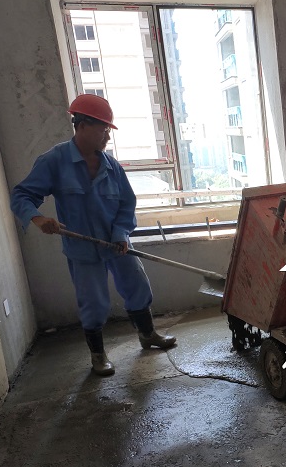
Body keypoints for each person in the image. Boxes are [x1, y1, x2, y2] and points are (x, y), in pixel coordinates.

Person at [10, 94, 176, 377]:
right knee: (94, 303)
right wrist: (38, 219)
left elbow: (127, 203)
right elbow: (22, 195)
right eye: (103, 129)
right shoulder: (55, 161)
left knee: (137, 285)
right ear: (83, 125)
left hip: (117, 243)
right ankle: (98, 355)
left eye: (109, 130)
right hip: (82, 248)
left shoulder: (112, 166)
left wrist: (121, 233)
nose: (107, 137)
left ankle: (147, 334)